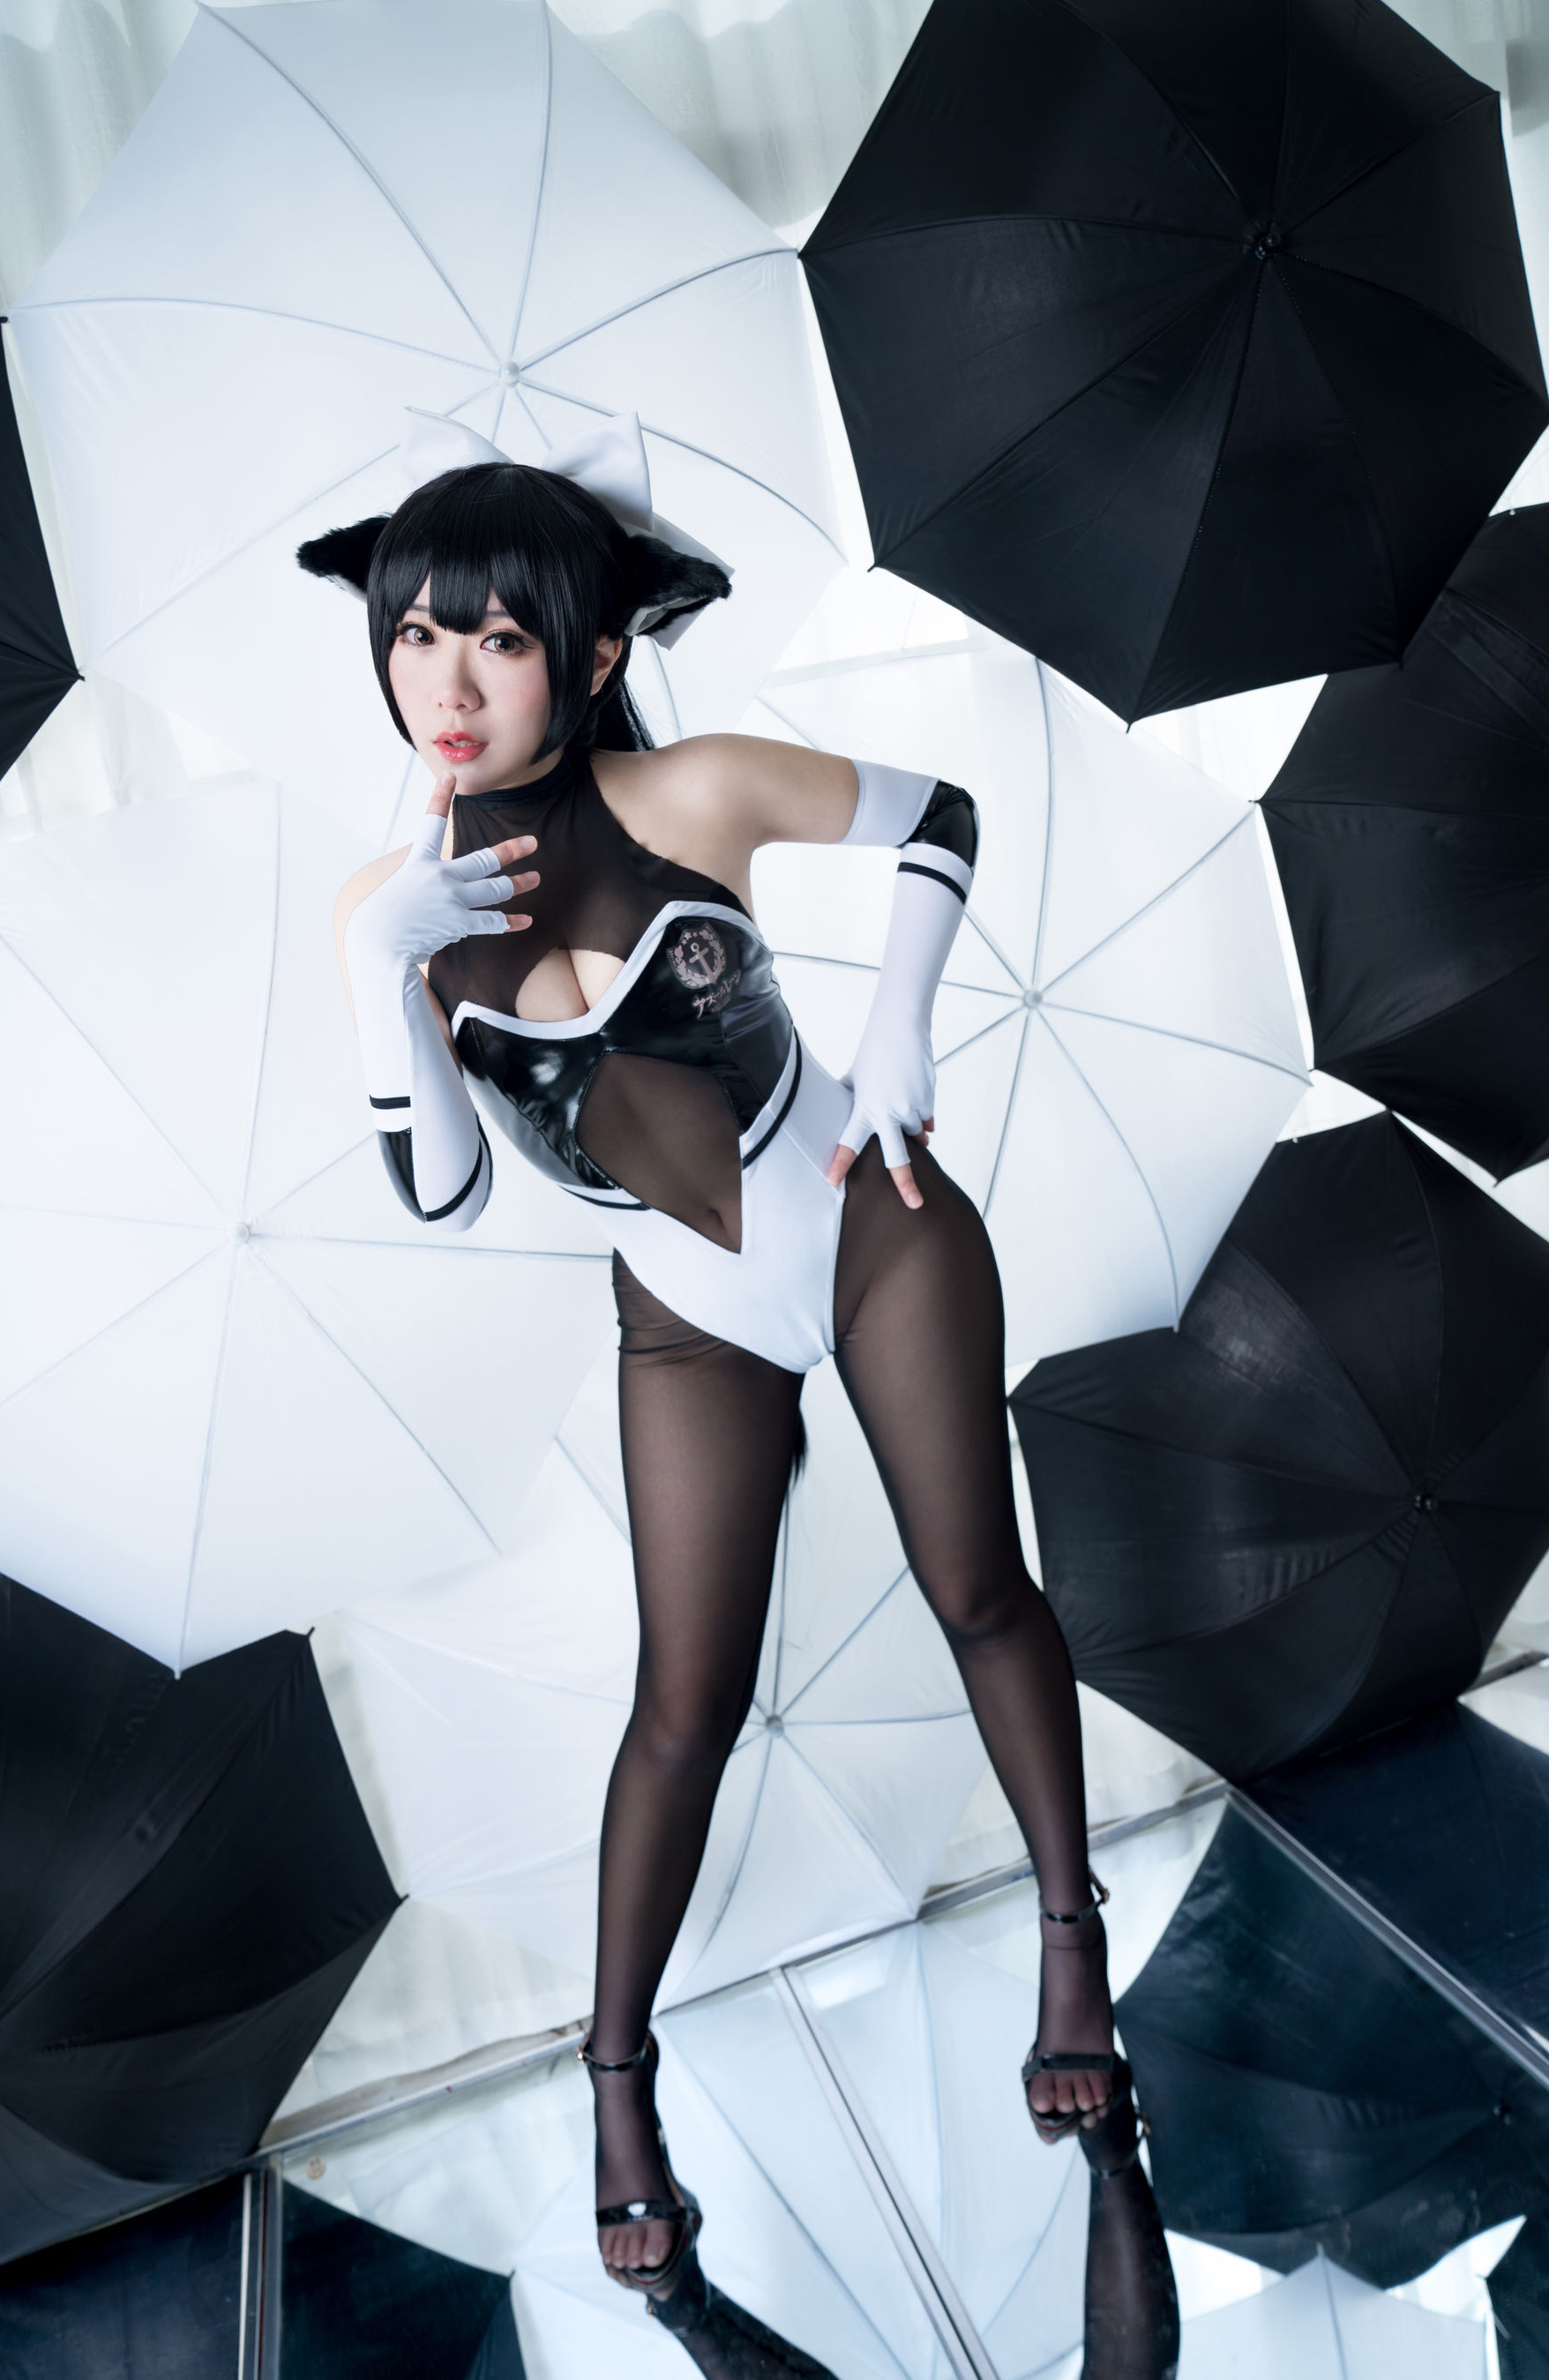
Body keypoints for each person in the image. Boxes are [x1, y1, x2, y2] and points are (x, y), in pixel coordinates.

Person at [306, 413, 1131, 2327]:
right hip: (684, 1318)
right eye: (416, 634)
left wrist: (904, 1029)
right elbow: (443, 1192)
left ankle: (1070, 1936)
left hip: (872, 1222)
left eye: (499, 637)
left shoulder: (692, 788)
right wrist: (379, 972)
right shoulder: (388, 908)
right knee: (680, 1704)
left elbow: (941, 818)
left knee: (977, 1588)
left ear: (592, 651)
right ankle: (618, 2076)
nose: (448, 682)